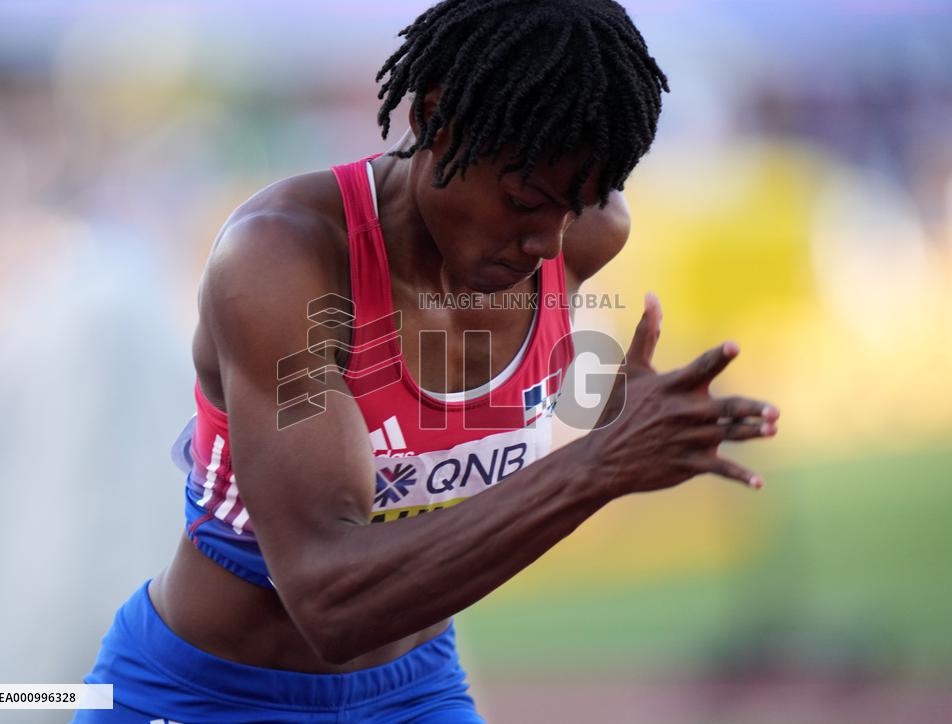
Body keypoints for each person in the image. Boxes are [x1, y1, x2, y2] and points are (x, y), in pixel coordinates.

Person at [75, 0, 780, 721]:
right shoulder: (283, 262)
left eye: (578, 206)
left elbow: (509, 424)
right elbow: (330, 600)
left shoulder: (583, 240)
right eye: (523, 199)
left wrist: (607, 425)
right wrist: (599, 466)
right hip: (199, 694)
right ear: (436, 120)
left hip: (413, 691)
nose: (547, 242)